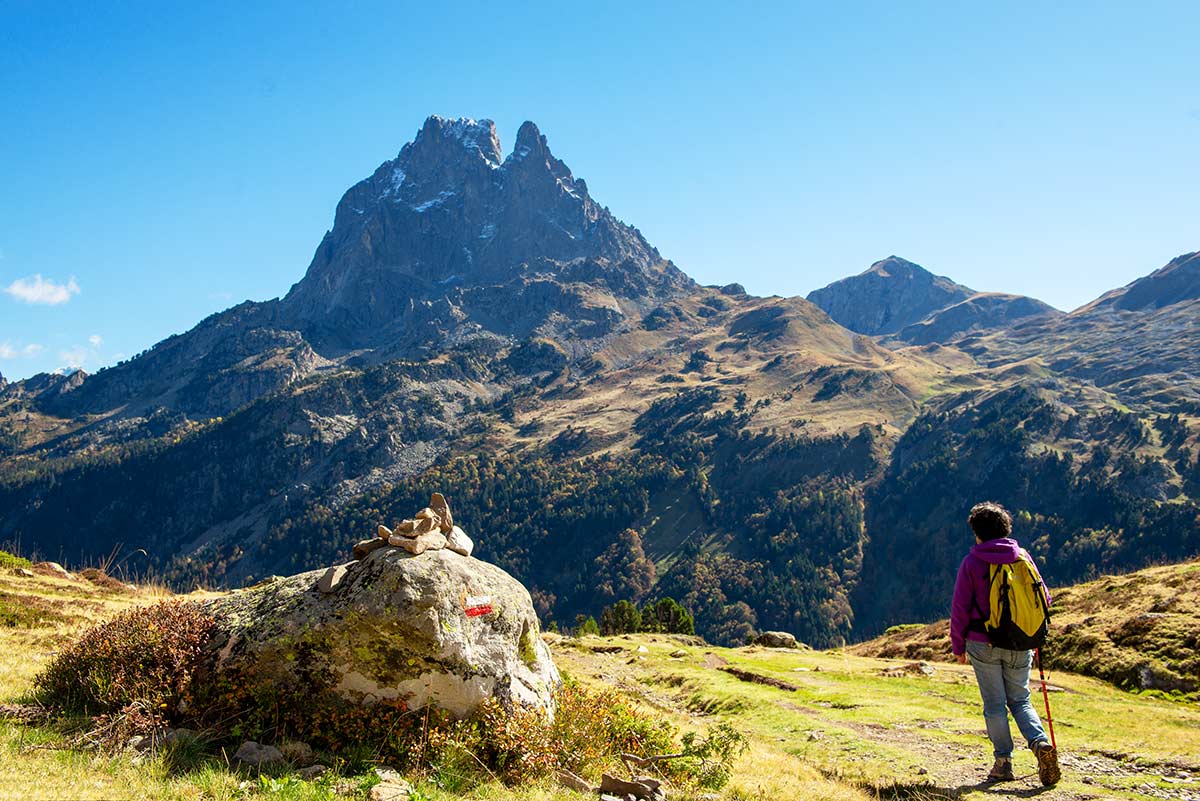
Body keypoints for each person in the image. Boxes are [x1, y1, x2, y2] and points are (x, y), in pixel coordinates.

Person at [950, 501, 1061, 786]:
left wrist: (958, 646)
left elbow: (960, 608)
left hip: (982, 643)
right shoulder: (1022, 558)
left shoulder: (972, 562)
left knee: (995, 705)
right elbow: (1044, 599)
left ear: (977, 532)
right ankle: (1040, 744)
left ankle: (1003, 763)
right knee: (1021, 700)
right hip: (1021, 643)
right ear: (1005, 528)